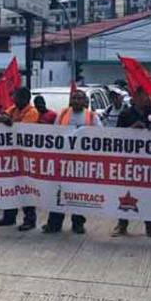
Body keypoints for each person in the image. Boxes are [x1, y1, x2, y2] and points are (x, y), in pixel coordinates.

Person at [43, 90, 102, 234]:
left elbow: (100, 135)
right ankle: (54, 224)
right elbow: (54, 134)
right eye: (74, 98)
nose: (76, 101)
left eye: (79, 98)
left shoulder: (92, 116)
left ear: (85, 101)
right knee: (58, 193)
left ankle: (78, 224)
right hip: (63, 161)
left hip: (82, 162)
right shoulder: (62, 114)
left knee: (79, 193)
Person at [110, 87, 151, 239]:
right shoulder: (126, 114)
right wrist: (131, 129)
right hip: (129, 161)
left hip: (149, 162)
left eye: (146, 96)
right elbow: (116, 135)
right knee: (126, 193)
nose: (143, 99)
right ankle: (122, 225)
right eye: (140, 96)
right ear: (134, 98)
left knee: (150, 194)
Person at [0, 87, 40, 231]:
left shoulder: (32, 112)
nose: (14, 100)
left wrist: (10, 123)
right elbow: (1, 117)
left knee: (25, 188)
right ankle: (9, 217)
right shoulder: (14, 109)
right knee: (9, 186)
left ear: (25, 99)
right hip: (12, 155)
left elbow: (23, 131)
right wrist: (3, 118)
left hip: (26, 156)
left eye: (17, 97)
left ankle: (30, 220)